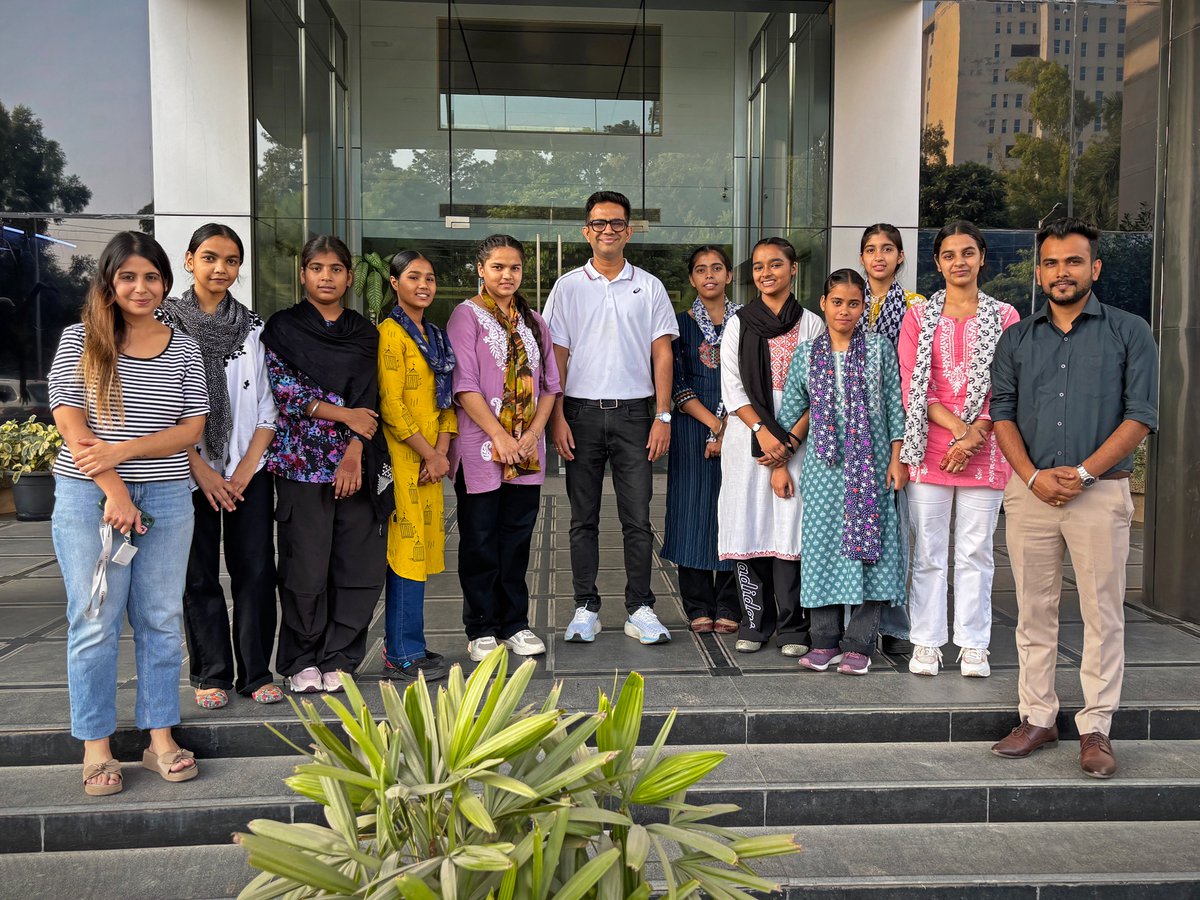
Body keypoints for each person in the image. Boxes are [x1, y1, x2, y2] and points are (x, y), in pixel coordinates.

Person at [989, 218, 1157, 778]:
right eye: (1053, 263)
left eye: (1074, 262)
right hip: (1030, 491)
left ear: (1095, 268)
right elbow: (1002, 413)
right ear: (1039, 272)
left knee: (1102, 612)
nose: (1062, 273)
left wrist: (1083, 473)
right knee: (1033, 610)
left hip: (1100, 494)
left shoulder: (1130, 332)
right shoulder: (1016, 338)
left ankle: (1096, 728)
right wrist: (1033, 476)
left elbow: (1141, 417)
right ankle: (1037, 716)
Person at [49, 231, 207, 795]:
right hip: (90, 497)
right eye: (128, 277)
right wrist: (114, 485)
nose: (141, 288)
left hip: (167, 496)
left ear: (166, 282)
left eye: (152, 277)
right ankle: (96, 748)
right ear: (110, 284)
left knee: (162, 620)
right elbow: (71, 423)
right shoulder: (81, 341)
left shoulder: (183, 346)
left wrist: (126, 450)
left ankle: (158, 737)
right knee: (94, 620)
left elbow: (192, 428)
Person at [546, 190, 679, 645]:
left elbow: (662, 352)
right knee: (582, 518)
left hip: (634, 417)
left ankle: (640, 607)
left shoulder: (651, 285)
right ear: (587, 231)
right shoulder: (567, 286)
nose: (608, 230)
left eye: (617, 223)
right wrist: (556, 416)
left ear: (629, 230)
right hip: (579, 414)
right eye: (599, 223)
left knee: (637, 519)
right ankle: (585, 607)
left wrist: (663, 414)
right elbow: (556, 355)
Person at [262, 235, 391, 694]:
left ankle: (341, 656)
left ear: (350, 277)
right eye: (317, 268)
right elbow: (284, 392)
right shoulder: (282, 328)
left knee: (356, 566)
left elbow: (371, 396)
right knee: (305, 567)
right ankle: (301, 658)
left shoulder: (363, 332)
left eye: (336, 269)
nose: (326, 277)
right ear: (303, 274)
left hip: (357, 463)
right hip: (301, 465)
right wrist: (343, 415)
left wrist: (354, 448)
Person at [159, 224, 282, 709]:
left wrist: (246, 468)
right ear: (189, 260)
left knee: (256, 572)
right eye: (210, 257)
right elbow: (157, 409)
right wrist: (202, 471)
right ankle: (211, 672)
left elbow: (269, 407)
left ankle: (255, 673)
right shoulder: (164, 323)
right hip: (186, 472)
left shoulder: (254, 328)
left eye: (231, 260)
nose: (220, 269)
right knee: (199, 575)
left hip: (247, 471)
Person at [898, 221, 1020, 678]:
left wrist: (973, 438)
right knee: (928, 552)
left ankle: (973, 644)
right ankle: (926, 641)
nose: (959, 262)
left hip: (987, 448)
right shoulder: (919, 317)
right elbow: (914, 384)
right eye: (949, 255)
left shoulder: (1005, 316)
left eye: (967, 253)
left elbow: (1007, 387)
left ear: (982, 257)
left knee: (976, 552)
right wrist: (957, 431)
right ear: (937, 263)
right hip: (928, 446)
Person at [778, 269, 908, 676]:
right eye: (838, 302)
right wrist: (778, 463)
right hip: (823, 470)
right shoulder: (807, 354)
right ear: (823, 303)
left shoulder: (879, 348)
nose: (845, 310)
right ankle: (824, 641)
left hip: (869, 470)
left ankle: (859, 644)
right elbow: (792, 413)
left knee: (873, 555)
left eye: (855, 303)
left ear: (863, 307)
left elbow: (893, 406)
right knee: (822, 553)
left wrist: (897, 458)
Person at [447, 235, 560, 660]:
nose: (506, 275)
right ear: (481, 269)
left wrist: (532, 434)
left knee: (516, 539)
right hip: (482, 446)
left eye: (514, 268)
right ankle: (480, 627)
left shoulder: (534, 321)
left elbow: (550, 385)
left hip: (526, 449)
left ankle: (514, 623)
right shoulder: (466, 317)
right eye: (497, 267)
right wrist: (499, 435)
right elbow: (465, 385)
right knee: (479, 539)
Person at [718, 237, 824, 656]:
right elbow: (732, 385)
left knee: (790, 525)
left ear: (793, 269)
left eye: (776, 264)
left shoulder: (812, 324)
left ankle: (794, 627)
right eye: (758, 266)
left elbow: (817, 390)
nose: (766, 272)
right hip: (748, 433)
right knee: (750, 523)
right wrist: (762, 431)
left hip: (800, 434)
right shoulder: (738, 322)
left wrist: (789, 442)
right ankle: (754, 621)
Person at [377, 250, 457, 680]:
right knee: (405, 553)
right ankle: (399, 652)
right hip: (404, 458)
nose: (423, 285)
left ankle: (414, 643)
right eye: (413, 277)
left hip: (432, 462)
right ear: (394, 283)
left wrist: (441, 453)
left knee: (421, 551)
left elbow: (446, 401)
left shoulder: (436, 336)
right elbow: (391, 404)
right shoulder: (390, 333)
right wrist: (430, 454)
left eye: (429, 277)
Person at [662, 246, 740, 634]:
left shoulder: (748, 322)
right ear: (692, 279)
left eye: (716, 268)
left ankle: (730, 602)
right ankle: (696, 605)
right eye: (700, 269)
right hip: (692, 428)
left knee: (734, 512)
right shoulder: (678, 325)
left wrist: (730, 428)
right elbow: (675, 382)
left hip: (743, 426)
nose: (709, 275)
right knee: (691, 512)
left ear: (728, 274)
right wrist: (715, 425)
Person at [860, 223, 925, 656]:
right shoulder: (847, 301)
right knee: (856, 527)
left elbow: (917, 371)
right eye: (870, 249)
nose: (879, 256)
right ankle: (856, 621)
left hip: (899, 422)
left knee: (899, 530)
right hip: (852, 426)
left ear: (901, 256)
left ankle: (897, 625)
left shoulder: (917, 306)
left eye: (888, 249)